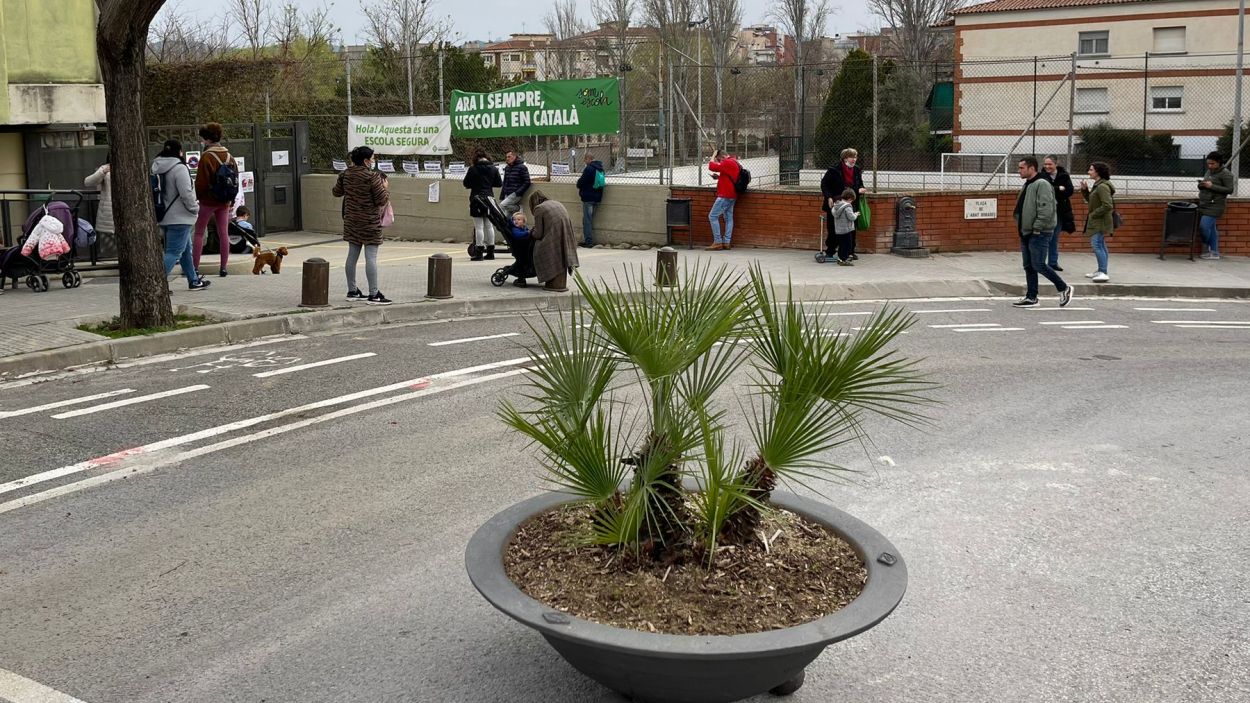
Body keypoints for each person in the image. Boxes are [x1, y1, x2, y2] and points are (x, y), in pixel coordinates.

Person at [333, 145, 391, 305]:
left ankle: (352, 291)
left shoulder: (345, 174)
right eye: (372, 159)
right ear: (366, 161)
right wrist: (385, 188)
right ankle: (374, 294)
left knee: (352, 255)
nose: (373, 161)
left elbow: (336, 192)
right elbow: (381, 200)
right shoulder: (372, 177)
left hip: (351, 220)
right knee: (371, 257)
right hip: (369, 222)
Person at [1012, 157, 1073, 308]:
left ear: (1031, 168)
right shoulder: (1030, 183)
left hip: (1039, 232)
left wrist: (1037, 228)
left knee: (1038, 264)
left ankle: (1064, 288)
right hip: (1027, 231)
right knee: (1029, 266)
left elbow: (1046, 209)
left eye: (1022, 168)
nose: (1019, 171)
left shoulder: (1042, 184)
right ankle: (1032, 297)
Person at [151, 140, 209, 290]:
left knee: (185, 250)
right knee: (174, 252)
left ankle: (193, 280)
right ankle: (155, 284)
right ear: (179, 152)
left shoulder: (156, 167)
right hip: (181, 217)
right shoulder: (180, 168)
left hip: (164, 215)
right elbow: (186, 193)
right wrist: (195, 208)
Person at [191, 122, 238, 277]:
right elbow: (235, 179)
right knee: (223, 233)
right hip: (224, 201)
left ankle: (194, 268)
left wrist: (199, 198)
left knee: (198, 232)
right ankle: (223, 268)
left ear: (207, 139)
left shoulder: (206, 156)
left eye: (203, 139)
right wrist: (230, 199)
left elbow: (201, 182)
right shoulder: (230, 156)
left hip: (208, 201)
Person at [529, 190, 580, 292]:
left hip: (553, 239)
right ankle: (559, 284)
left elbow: (538, 234)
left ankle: (550, 281)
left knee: (537, 249)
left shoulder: (539, 208)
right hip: (566, 238)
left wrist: (530, 232)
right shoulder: (557, 203)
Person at [820, 148, 866, 260]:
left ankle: (849, 251)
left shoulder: (856, 170)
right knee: (833, 228)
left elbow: (859, 184)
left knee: (851, 227)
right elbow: (824, 184)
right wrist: (829, 197)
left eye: (855, 157)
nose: (854, 159)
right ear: (845, 158)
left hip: (851, 203)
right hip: (836, 203)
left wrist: (861, 189)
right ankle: (830, 251)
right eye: (851, 157)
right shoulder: (834, 170)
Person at [1079, 162, 1115, 283]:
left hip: (1100, 221)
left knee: (1097, 245)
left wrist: (1093, 214)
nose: (1088, 172)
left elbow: (1107, 205)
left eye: (1091, 170)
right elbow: (1092, 201)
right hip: (1098, 220)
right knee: (1100, 245)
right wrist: (1085, 191)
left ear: (1097, 172)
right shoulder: (1098, 185)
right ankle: (1101, 270)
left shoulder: (1102, 187)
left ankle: (1103, 272)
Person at [463, 148, 502, 261]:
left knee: (479, 226)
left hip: (476, 198)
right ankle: (491, 252)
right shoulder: (493, 169)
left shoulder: (473, 169)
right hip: (489, 198)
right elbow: (499, 183)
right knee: (489, 226)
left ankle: (479, 251)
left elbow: (466, 183)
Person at [1197, 150, 1234, 260]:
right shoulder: (1209, 172)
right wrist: (1201, 185)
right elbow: (1206, 184)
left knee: (1204, 227)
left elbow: (1230, 190)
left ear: (1219, 162)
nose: (1210, 165)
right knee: (1212, 229)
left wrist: (1211, 186)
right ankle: (1214, 252)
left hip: (1215, 205)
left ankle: (1206, 245)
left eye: (1212, 163)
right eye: (1208, 163)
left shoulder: (1226, 174)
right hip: (1204, 203)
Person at [1042, 156, 1075, 271]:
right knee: (1044, 237)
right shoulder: (1042, 176)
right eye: (1045, 164)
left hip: (1059, 211)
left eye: (1050, 164)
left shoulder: (1064, 176)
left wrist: (1059, 191)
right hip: (1045, 211)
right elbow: (1043, 191)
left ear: (1056, 164)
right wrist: (1058, 188)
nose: (1047, 167)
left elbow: (1069, 191)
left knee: (1054, 237)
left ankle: (1053, 262)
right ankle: (1040, 262)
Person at [706, 148, 740, 250]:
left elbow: (711, 166)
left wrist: (713, 156)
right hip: (732, 194)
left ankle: (717, 242)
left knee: (712, 216)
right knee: (728, 217)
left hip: (725, 195)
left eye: (719, 160)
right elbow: (728, 175)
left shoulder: (727, 162)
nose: (719, 162)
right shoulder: (734, 161)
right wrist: (719, 177)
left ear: (722, 157)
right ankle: (726, 242)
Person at [83, 160, 113, 256]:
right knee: (107, 249)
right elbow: (87, 182)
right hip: (108, 211)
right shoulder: (105, 169)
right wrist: (102, 171)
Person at [575, 153, 605, 248]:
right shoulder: (600, 168)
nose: (584, 161)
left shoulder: (589, 169)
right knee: (589, 220)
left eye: (585, 159)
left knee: (587, 220)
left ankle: (588, 242)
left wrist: (578, 183)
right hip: (597, 198)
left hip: (588, 198)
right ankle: (588, 240)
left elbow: (581, 182)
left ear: (589, 159)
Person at [829, 189, 859, 266]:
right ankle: (843, 259)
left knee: (841, 245)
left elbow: (834, 213)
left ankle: (840, 258)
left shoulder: (836, 205)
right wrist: (855, 214)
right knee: (847, 245)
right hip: (846, 229)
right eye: (852, 200)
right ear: (849, 198)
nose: (851, 202)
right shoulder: (848, 207)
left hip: (839, 230)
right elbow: (851, 217)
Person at [500, 150, 531, 221]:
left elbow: (527, 182)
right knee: (507, 218)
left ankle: (518, 208)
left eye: (509, 157)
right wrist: (502, 195)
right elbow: (505, 182)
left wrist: (518, 192)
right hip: (507, 194)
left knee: (502, 205)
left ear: (514, 157)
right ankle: (509, 230)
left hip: (515, 194)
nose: (507, 158)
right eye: (506, 157)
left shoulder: (522, 167)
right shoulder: (507, 168)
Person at [509, 211, 533, 288]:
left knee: (523, 264)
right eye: (514, 219)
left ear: (523, 222)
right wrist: (528, 233)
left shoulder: (524, 228)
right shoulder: (515, 229)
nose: (516, 221)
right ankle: (521, 280)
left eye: (519, 219)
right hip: (520, 250)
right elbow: (517, 235)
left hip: (524, 249)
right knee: (521, 264)